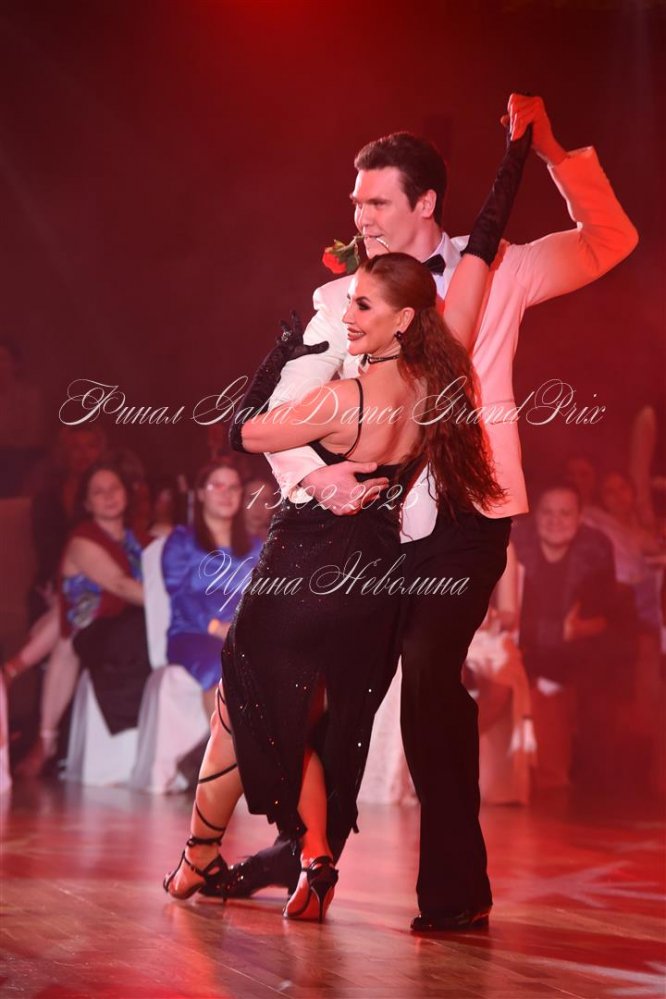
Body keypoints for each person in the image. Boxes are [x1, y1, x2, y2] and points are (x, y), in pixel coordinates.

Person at [227, 94, 638, 932]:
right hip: (371, 521)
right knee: (323, 683)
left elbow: (611, 239)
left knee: (426, 677)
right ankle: (304, 849)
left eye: (376, 202)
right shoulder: (343, 299)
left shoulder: (503, 268)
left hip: (468, 517)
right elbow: (288, 410)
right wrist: (318, 476)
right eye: (355, 203)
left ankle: (455, 890)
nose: (360, 217)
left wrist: (552, 151)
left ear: (425, 203)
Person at [163, 122, 530, 919]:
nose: (347, 309)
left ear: (399, 319)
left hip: (307, 564)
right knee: (309, 712)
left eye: (363, 301)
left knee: (254, 698)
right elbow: (483, 244)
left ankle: (245, 855)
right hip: (376, 563)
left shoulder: (345, 397)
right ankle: (292, 855)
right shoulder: (444, 360)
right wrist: (518, 150)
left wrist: (277, 363)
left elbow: (242, 432)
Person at [512, 484, 618, 789]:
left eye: (565, 513)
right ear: (535, 515)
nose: (555, 521)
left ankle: (589, 780)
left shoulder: (596, 548)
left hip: (577, 656)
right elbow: (508, 616)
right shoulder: (515, 544)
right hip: (524, 649)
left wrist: (565, 632)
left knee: (600, 677)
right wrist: (559, 631)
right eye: (547, 512)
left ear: (580, 517)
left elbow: (600, 620)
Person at [161, 459, 262, 716]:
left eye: (233, 487)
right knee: (222, 665)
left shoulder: (256, 547)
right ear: (200, 494)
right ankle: (224, 743)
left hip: (245, 634)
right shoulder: (181, 541)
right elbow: (180, 596)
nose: (226, 494)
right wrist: (216, 627)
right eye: (217, 486)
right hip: (194, 632)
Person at [58, 462, 150, 738]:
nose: (109, 496)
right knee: (139, 630)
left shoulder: (139, 540)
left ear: (126, 494)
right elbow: (121, 586)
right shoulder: (82, 541)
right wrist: (178, 607)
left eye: (114, 488)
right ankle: (131, 726)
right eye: (98, 492)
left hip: (130, 626)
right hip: (95, 633)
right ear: (87, 503)